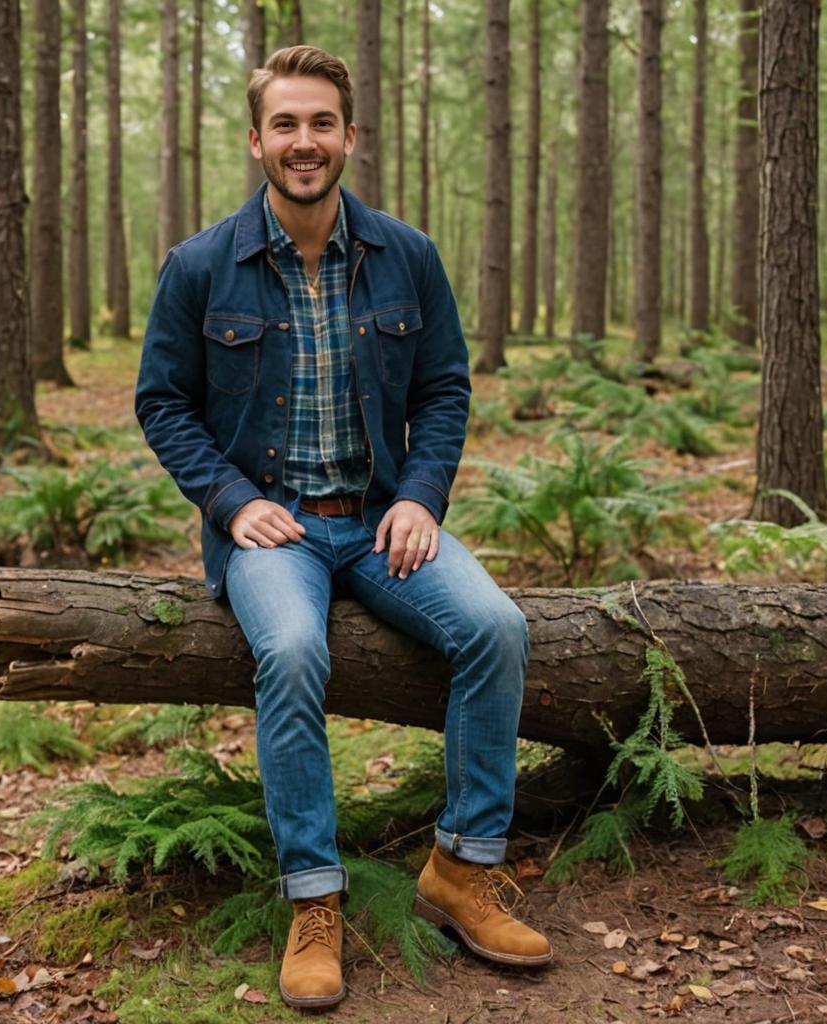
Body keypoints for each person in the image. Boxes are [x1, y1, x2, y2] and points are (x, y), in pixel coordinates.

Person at [135, 44, 552, 1009]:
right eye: (285, 124)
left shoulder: (405, 254)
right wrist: (234, 503)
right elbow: (163, 403)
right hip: (271, 532)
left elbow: (446, 387)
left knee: (497, 628)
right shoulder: (200, 266)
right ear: (256, 140)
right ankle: (314, 899)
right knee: (288, 648)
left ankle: (462, 866)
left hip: (380, 523)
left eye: (321, 122)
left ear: (350, 136)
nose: (304, 141)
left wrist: (420, 496)